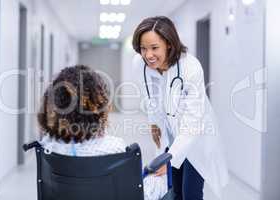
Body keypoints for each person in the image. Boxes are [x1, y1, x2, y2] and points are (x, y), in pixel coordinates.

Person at [132, 16, 229, 199]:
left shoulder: (190, 67)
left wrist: (169, 158)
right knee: (176, 190)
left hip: (196, 135)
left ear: (169, 44)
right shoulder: (140, 64)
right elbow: (149, 95)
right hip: (171, 132)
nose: (148, 55)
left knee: (190, 193)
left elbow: (193, 122)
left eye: (154, 48)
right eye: (143, 48)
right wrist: (154, 122)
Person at [37, 65, 167, 200]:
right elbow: (131, 193)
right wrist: (155, 177)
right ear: (98, 108)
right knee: (161, 179)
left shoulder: (47, 145)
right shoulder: (114, 148)